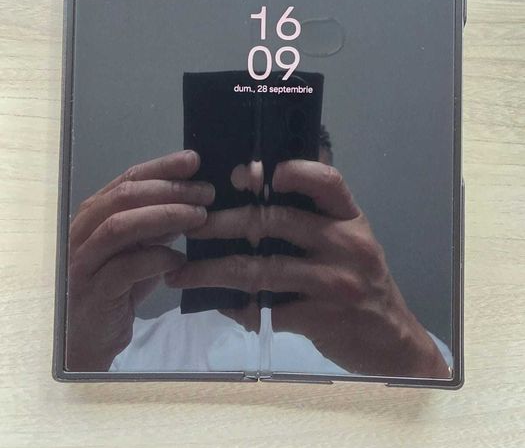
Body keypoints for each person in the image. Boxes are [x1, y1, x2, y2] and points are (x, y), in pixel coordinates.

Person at [66, 149, 452, 378]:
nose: (259, 184)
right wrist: (75, 353)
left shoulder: (408, 353)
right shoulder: (115, 353)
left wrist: (414, 360)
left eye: (294, 198)